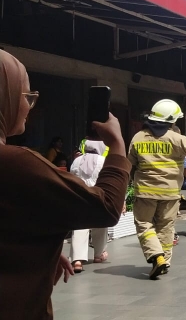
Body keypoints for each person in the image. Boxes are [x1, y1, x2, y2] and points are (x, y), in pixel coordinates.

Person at [0, 49, 130, 319]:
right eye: (27, 97)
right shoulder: (18, 163)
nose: (28, 107)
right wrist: (117, 147)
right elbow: (105, 207)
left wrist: (41, 248)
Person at [128, 99, 186, 280]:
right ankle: (164, 261)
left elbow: (130, 163)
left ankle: (157, 257)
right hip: (170, 193)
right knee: (165, 227)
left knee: (144, 224)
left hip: (145, 192)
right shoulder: (176, 138)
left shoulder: (137, 138)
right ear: (171, 120)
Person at [69, 141, 120, 272]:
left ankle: (77, 260)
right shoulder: (104, 161)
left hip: (80, 197)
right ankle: (99, 254)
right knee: (101, 224)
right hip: (98, 197)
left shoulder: (77, 161)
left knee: (80, 227)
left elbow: (71, 178)